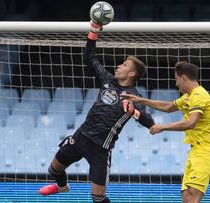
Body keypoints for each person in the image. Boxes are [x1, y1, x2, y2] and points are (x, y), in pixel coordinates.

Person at [38, 20, 155, 203]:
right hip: (81, 136)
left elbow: (150, 123)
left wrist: (134, 112)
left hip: (100, 148)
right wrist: (93, 32)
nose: (119, 66)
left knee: (98, 198)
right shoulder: (107, 80)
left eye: (124, 65)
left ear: (132, 74)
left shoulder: (134, 96)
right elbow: (90, 58)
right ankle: (62, 188)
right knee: (54, 169)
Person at [121, 61, 210, 203]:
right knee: (186, 197)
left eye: (176, 79)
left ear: (183, 78)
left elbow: (190, 123)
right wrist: (141, 100)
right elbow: (169, 106)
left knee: (192, 198)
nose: (176, 83)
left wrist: (162, 127)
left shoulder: (200, 96)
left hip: (205, 152)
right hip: (195, 152)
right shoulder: (188, 97)